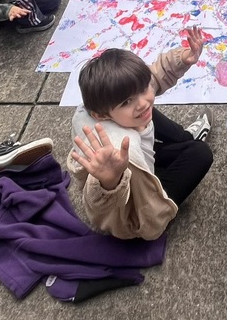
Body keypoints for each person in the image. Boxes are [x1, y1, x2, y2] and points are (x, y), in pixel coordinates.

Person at [67, 27, 213, 240]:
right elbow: (96, 208)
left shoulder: (110, 106)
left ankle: (186, 139)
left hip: (141, 159)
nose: (142, 102)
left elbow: (153, 77)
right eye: (126, 101)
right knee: (201, 153)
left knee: (146, 112)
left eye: (143, 89)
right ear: (101, 115)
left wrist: (183, 59)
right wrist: (109, 182)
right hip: (139, 211)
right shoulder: (110, 152)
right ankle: (185, 152)